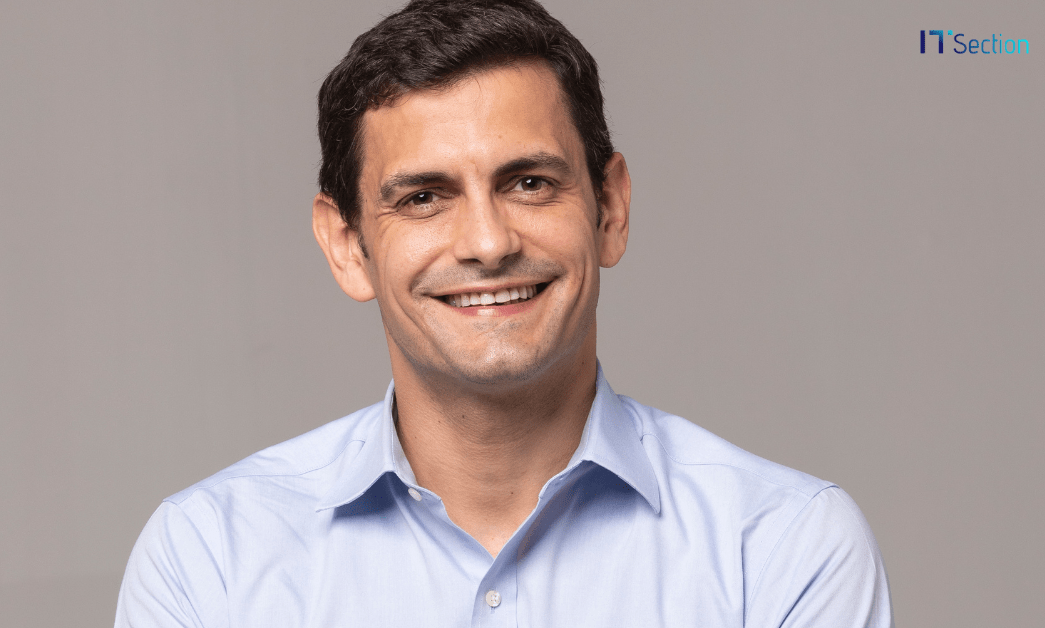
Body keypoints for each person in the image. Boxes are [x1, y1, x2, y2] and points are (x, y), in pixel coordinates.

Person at [115, 1, 892, 626]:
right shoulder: (210, 559)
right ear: (348, 246)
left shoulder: (783, 548)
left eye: (529, 183)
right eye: (424, 197)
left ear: (611, 208)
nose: (488, 243)